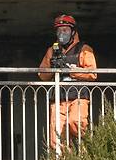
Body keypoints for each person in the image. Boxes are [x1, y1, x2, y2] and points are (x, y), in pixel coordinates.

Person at [38, 14, 97, 151]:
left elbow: (92, 73)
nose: (61, 34)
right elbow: (42, 75)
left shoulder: (84, 49)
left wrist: (72, 70)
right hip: (58, 98)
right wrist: (52, 69)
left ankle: (87, 154)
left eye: (65, 30)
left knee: (76, 122)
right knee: (56, 135)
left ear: (73, 32)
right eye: (59, 31)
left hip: (78, 96)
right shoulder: (52, 50)